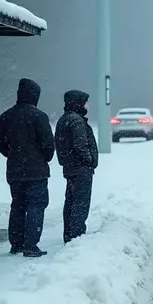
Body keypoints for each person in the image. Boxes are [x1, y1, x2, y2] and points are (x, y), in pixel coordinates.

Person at [0, 78, 55, 257]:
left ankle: (16, 243)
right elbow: (48, 145)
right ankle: (31, 244)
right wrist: (42, 157)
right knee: (36, 205)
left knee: (18, 206)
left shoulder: (7, 116)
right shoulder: (39, 116)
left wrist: (13, 154)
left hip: (15, 170)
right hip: (36, 171)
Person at [54, 90, 99, 243]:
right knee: (80, 202)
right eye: (86, 102)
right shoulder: (77, 121)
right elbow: (80, 145)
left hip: (70, 167)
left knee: (71, 201)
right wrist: (90, 160)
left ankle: (69, 233)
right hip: (80, 168)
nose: (88, 105)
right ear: (78, 103)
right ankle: (76, 235)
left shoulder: (64, 119)